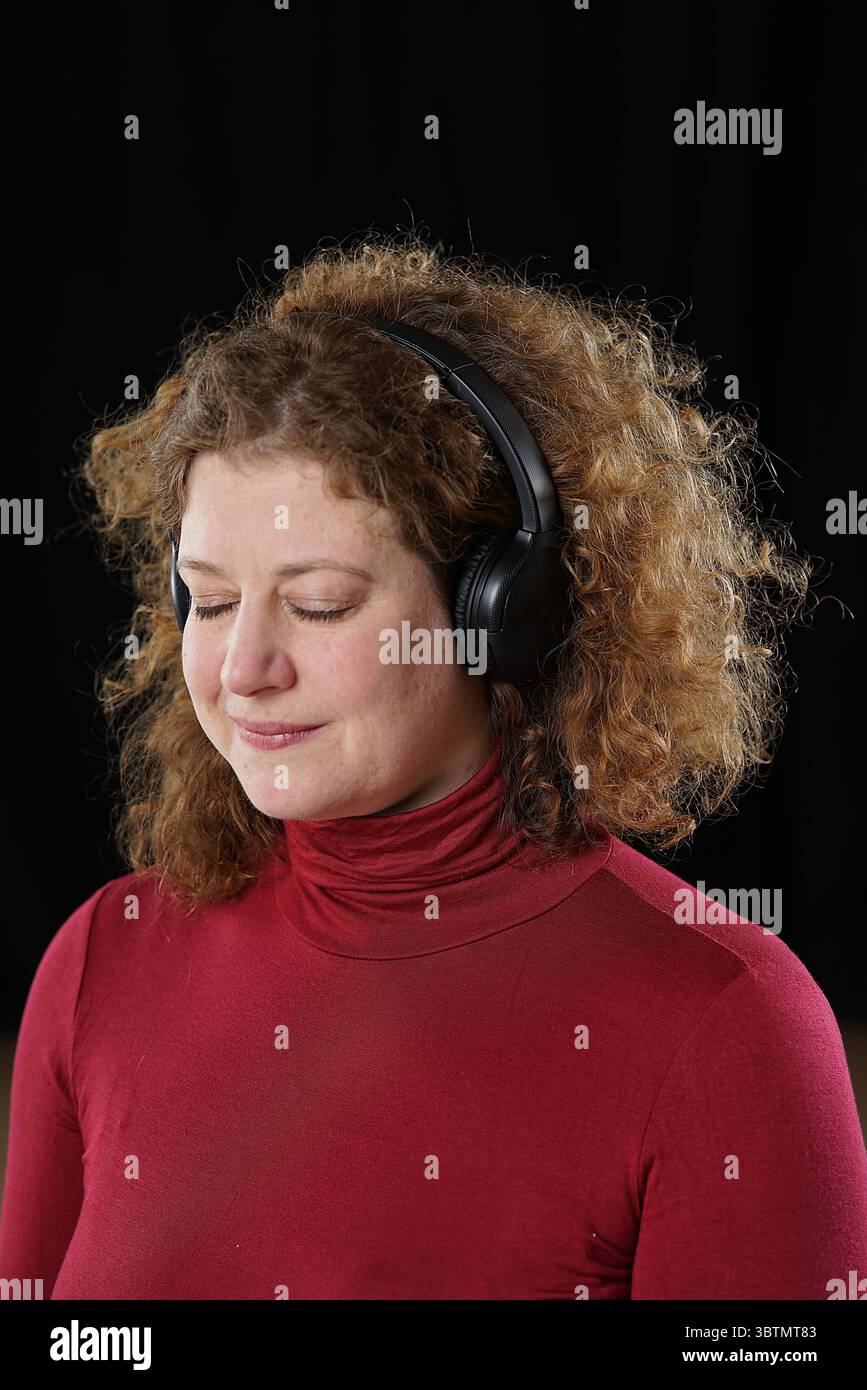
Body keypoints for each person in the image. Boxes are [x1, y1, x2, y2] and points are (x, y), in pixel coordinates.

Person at [1, 234, 865, 1301]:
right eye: (210, 602)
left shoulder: (730, 1025)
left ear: (496, 610)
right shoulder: (100, 964)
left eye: (320, 604)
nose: (243, 668)